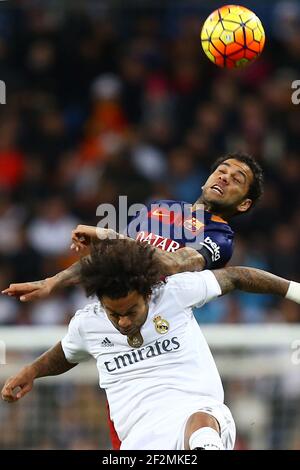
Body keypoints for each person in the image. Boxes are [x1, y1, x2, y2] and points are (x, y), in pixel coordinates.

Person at [1, 151, 264, 449]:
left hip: (162, 334)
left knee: (197, 420)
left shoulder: (219, 236)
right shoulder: (159, 209)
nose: (225, 177)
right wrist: (54, 281)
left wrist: (111, 236)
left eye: (236, 179)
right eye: (222, 170)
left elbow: (172, 264)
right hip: (120, 343)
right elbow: (114, 261)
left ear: (244, 203)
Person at [2, 239, 300, 450]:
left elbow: (236, 277)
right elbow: (66, 354)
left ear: (147, 293)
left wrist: (295, 291)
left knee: (202, 427)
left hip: (197, 413)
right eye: (113, 314)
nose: (122, 322)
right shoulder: (87, 324)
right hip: (140, 439)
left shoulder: (174, 293)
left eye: (130, 311)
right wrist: (32, 371)